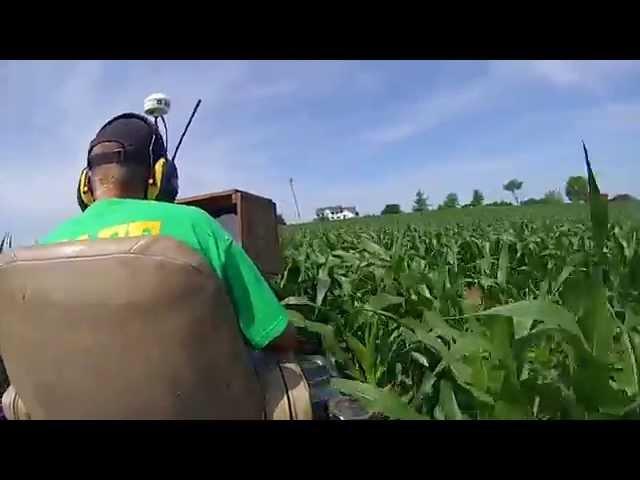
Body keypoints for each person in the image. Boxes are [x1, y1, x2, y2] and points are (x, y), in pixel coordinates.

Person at [40, 113, 298, 354]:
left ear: (85, 184)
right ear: (160, 175)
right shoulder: (196, 225)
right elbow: (275, 335)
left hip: (72, 400)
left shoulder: (46, 247)